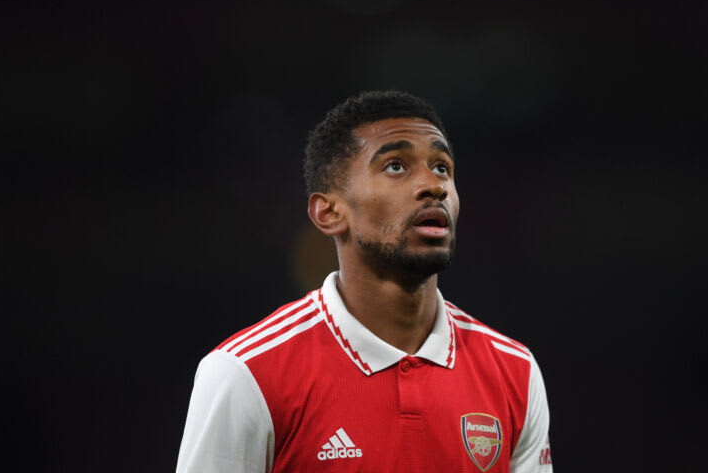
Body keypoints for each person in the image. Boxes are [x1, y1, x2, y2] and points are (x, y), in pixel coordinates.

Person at [176, 90, 553, 472]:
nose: (433, 185)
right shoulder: (246, 374)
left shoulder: (514, 373)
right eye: (395, 166)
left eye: (442, 167)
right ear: (329, 212)